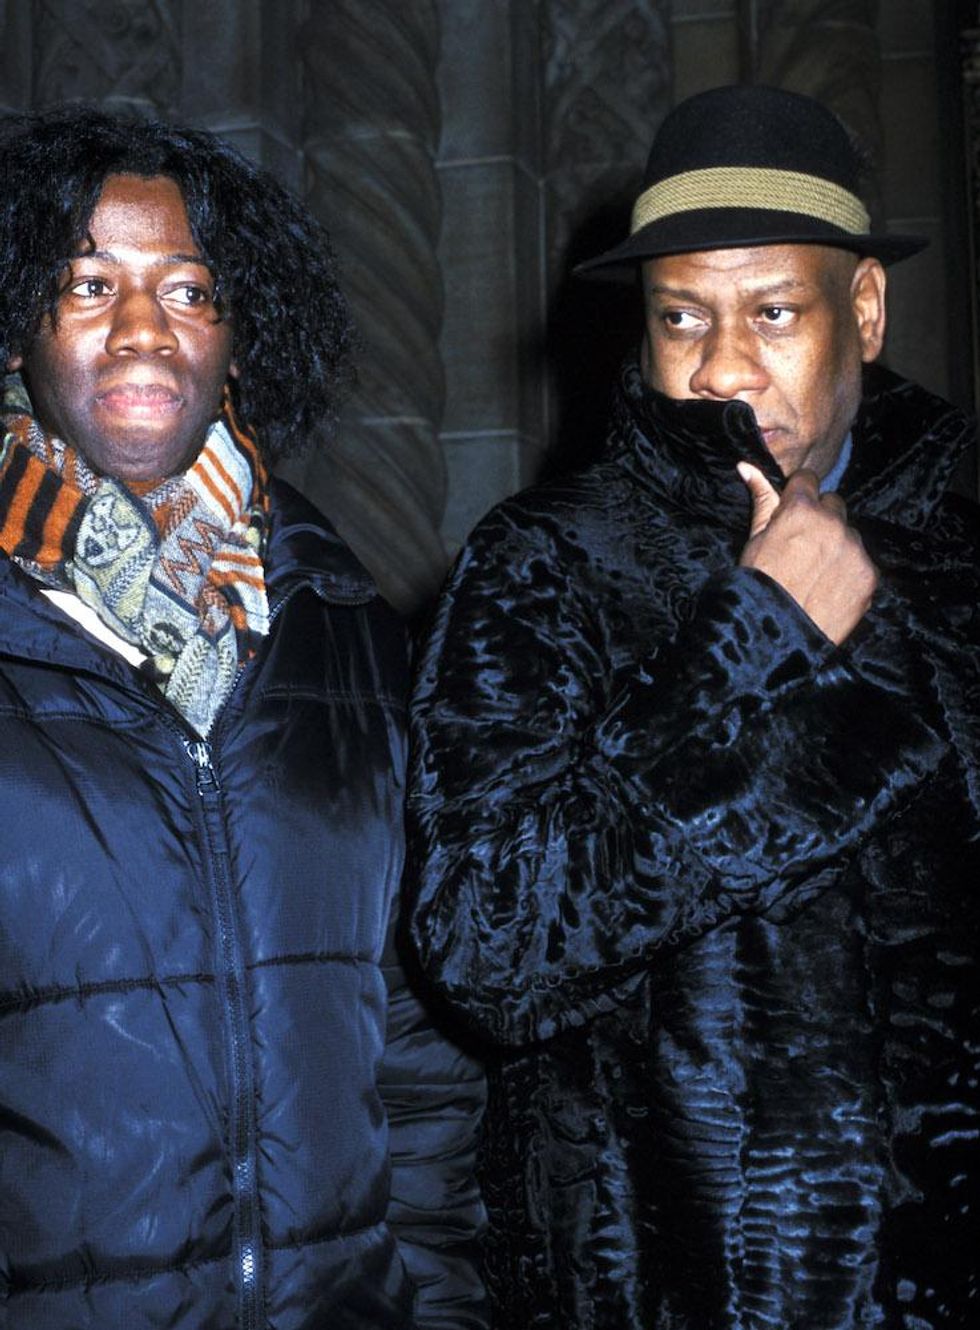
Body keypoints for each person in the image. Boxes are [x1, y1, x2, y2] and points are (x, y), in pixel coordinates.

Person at [407, 84, 979, 1328]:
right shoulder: (549, 561)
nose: (722, 363)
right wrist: (751, 637)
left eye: (772, 312)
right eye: (681, 318)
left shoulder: (960, 538)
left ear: (863, 312)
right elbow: (485, 944)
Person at [0, 105, 485, 1329]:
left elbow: (417, 1054)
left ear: (237, 329)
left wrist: (432, 1303)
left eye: (189, 288)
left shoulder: (345, 624)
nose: (142, 329)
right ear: (17, 326)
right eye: (87, 284)